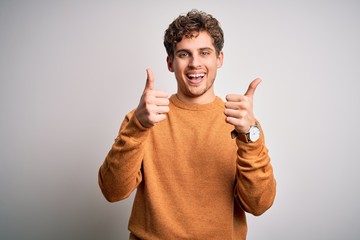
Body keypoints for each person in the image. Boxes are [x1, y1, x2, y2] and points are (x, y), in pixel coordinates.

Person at [98, 9, 276, 240]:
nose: (195, 63)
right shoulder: (143, 118)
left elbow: (258, 205)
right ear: (170, 63)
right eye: (184, 54)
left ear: (219, 59)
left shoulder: (242, 123)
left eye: (204, 52)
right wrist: (137, 127)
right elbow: (112, 191)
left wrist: (249, 136)